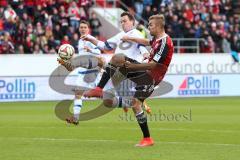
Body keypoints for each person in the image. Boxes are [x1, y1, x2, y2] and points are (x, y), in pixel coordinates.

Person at [103, 14, 174, 147]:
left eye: (150, 25)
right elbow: (147, 42)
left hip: (150, 78)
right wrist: (131, 38)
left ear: (158, 27)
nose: (148, 27)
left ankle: (147, 138)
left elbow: (153, 65)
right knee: (118, 60)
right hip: (145, 74)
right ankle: (146, 138)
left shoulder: (165, 42)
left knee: (135, 103)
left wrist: (134, 66)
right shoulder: (157, 39)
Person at [81, 11, 151, 113]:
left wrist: (145, 54)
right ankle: (132, 103)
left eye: (125, 21)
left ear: (132, 22)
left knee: (115, 58)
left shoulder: (137, 33)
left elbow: (142, 46)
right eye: (121, 21)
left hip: (129, 69)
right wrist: (90, 38)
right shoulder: (120, 35)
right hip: (116, 70)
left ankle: (98, 88)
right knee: (108, 102)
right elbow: (105, 46)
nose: (123, 23)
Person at [63, 20, 101, 125]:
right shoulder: (80, 41)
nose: (83, 29)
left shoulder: (91, 39)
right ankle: (75, 118)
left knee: (104, 95)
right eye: (81, 27)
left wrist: (90, 50)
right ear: (79, 29)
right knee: (78, 94)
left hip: (92, 71)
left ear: (88, 29)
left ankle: (126, 103)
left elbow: (99, 52)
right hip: (82, 71)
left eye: (85, 27)